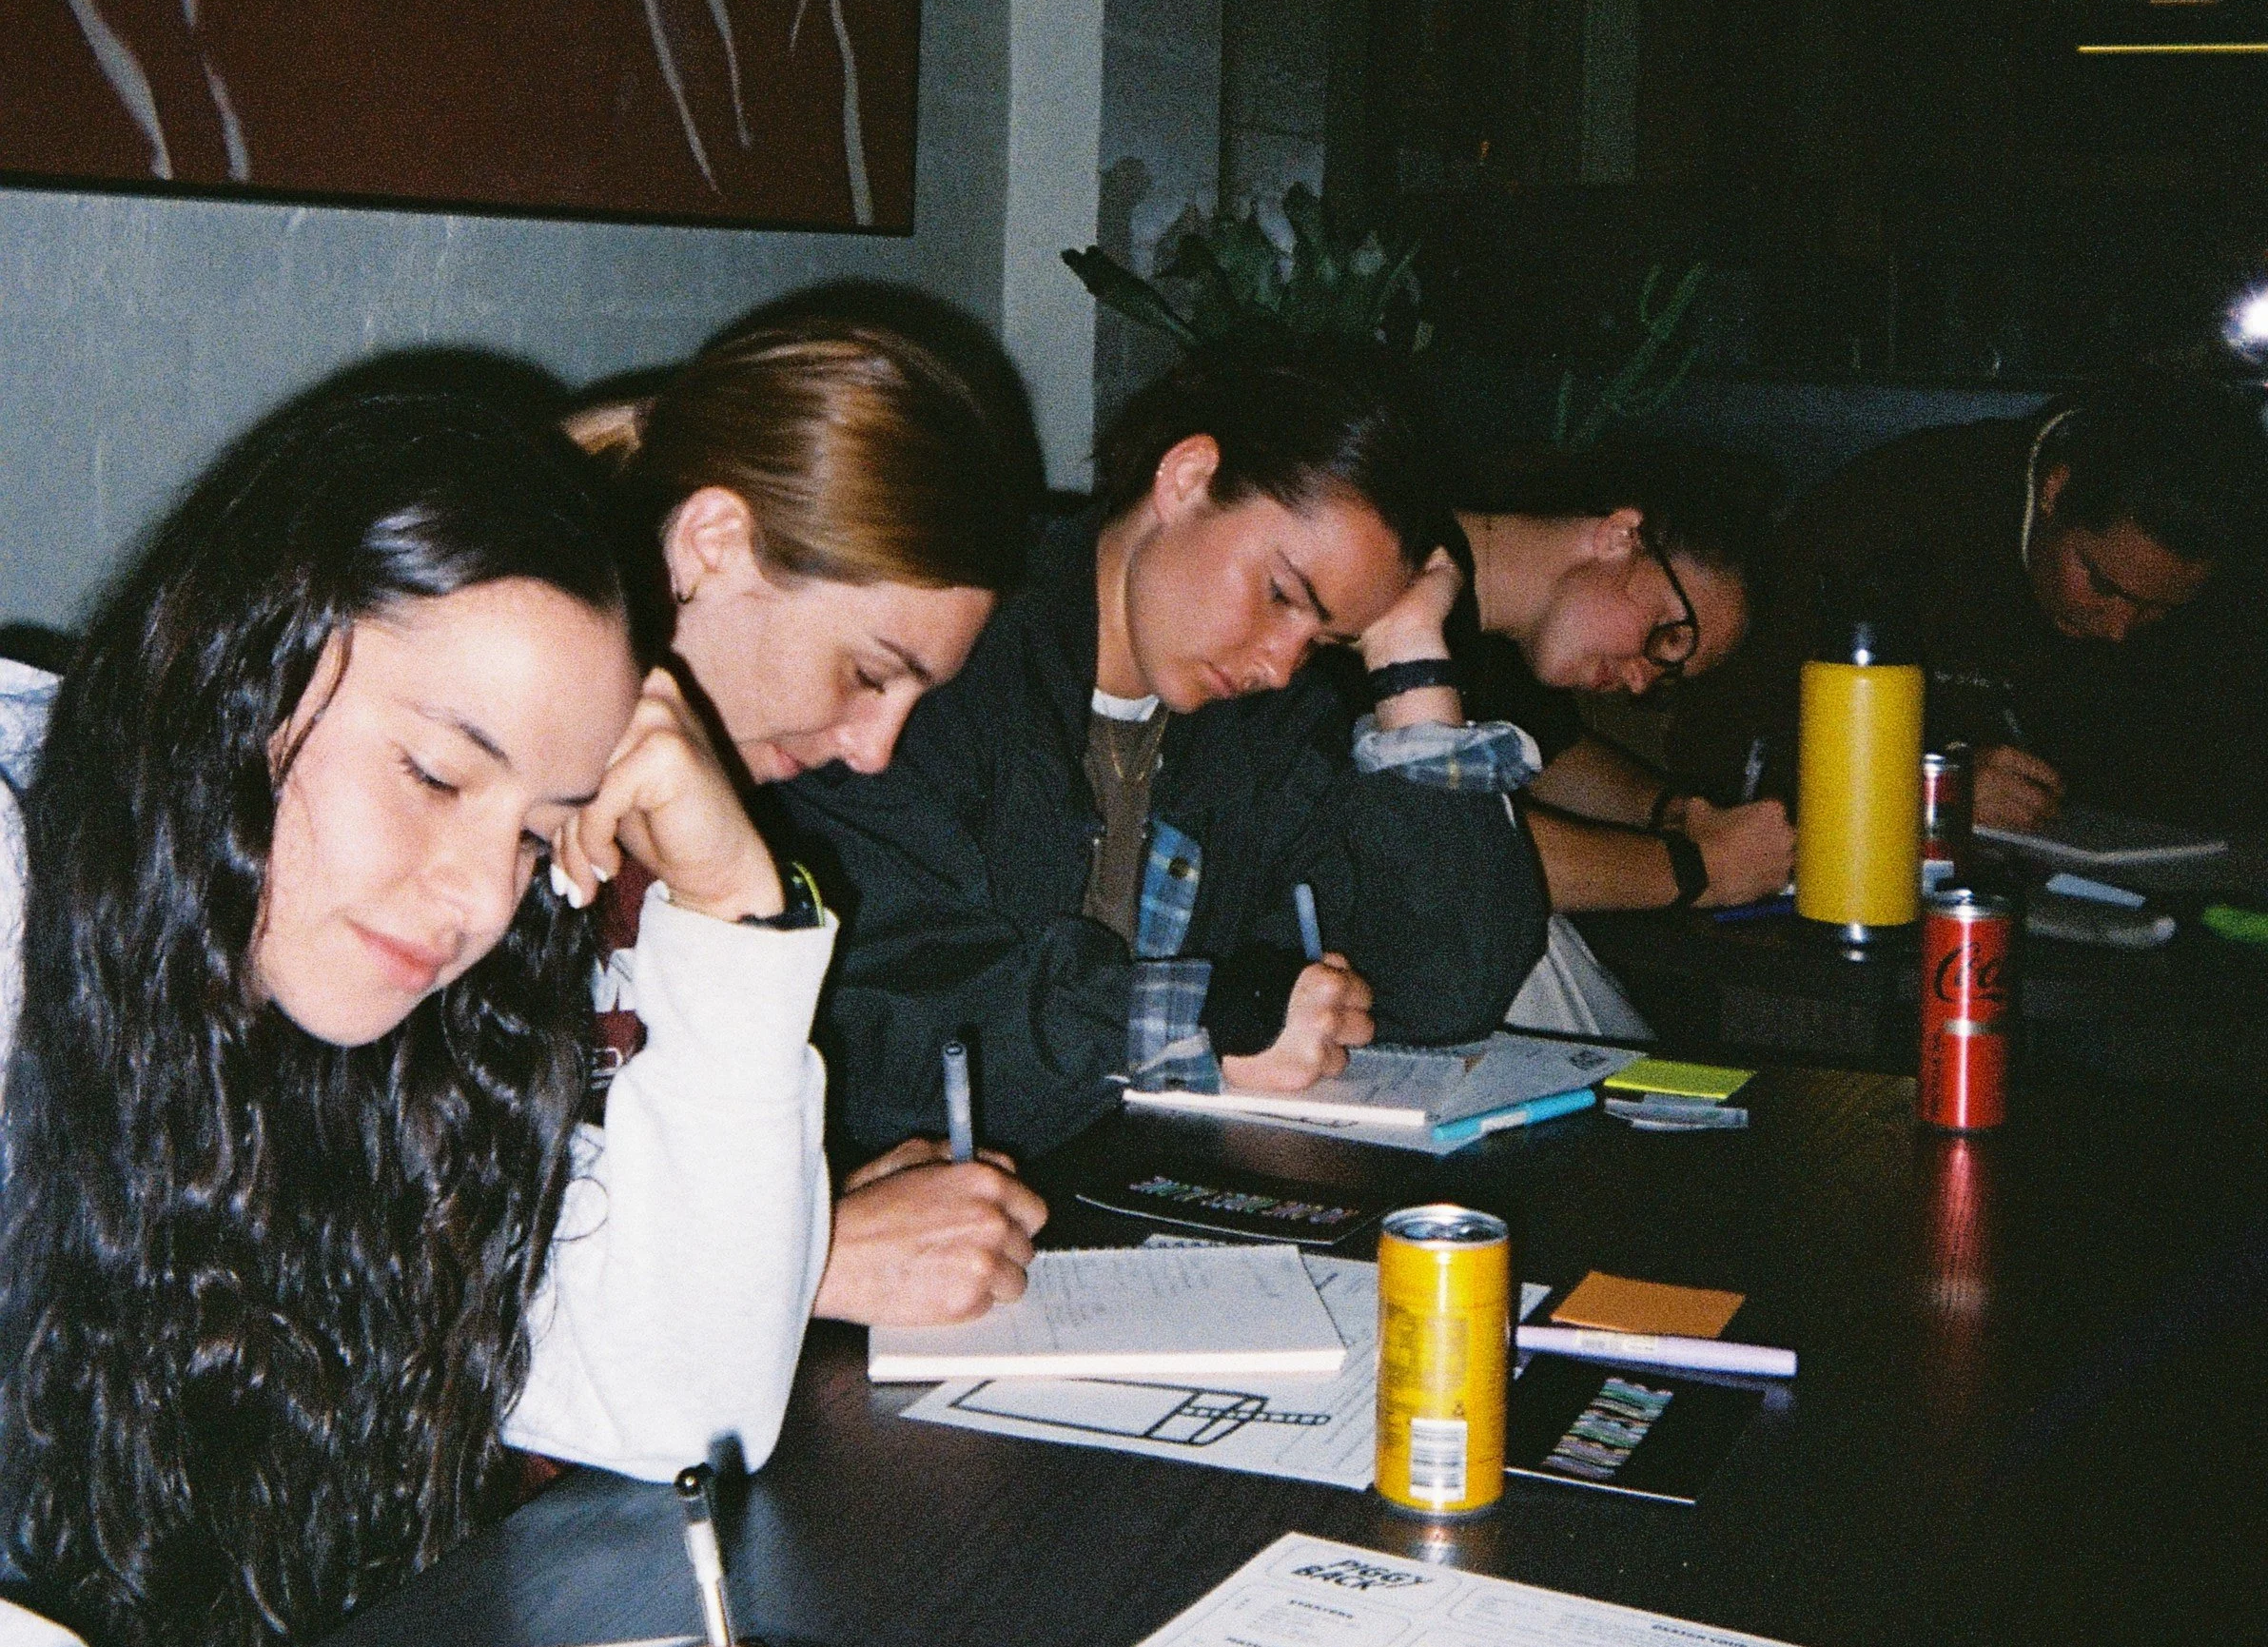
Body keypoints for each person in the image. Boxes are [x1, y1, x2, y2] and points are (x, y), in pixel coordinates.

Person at [0, 373, 869, 1647]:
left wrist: (735, 904)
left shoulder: (370, 1006)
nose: (479, 897)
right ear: (235, 660)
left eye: (545, 828)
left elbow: (671, 1413)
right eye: (435, 773)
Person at [792, 342, 1554, 1159]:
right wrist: (1203, 1013)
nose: (1281, 661)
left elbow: (1451, 988)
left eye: (1328, 638)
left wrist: (1411, 669)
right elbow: (877, 1042)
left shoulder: (1267, 728)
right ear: (1186, 479)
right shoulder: (934, 662)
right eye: (1281, 595)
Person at [566, 296, 1049, 1323]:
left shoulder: (674, 797)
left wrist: (799, 1210)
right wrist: (806, 1259)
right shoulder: (479, 791)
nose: (873, 754)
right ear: (711, 544)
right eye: (869, 671)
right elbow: (396, 1275)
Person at [1667, 374, 2268, 834]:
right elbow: (1715, 746)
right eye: (2103, 585)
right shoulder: (1890, 519)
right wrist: (1930, 790)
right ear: (2056, 491)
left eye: (2157, 610)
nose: (2118, 629)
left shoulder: (2228, 576)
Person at [1445, 440, 1793, 912]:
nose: (1639, 683)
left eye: (1667, 677)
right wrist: (1708, 870)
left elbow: (1547, 750)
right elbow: (1441, 849)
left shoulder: (1488, 638)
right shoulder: (1383, 572)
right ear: (1620, 535)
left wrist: (1683, 814)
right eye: (1669, 639)